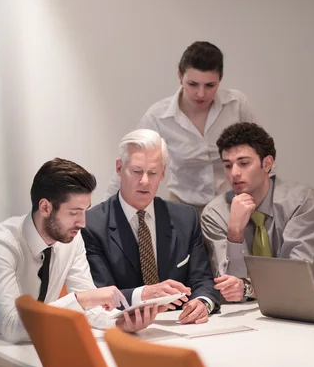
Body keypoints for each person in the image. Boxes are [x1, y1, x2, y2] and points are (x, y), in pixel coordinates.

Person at [0, 158, 157, 347]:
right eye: (74, 213)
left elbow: (89, 309)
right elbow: (13, 327)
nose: (82, 223)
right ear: (45, 208)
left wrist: (119, 322)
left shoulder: (71, 238)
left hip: (29, 343)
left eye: (85, 211)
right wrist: (80, 299)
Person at [83, 129, 220, 325]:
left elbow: (203, 280)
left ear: (163, 173)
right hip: (121, 329)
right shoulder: (93, 224)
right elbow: (99, 296)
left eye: (153, 173)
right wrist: (145, 294)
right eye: (137, 171)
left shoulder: (185, 218)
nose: (145, 181)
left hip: (183, 327)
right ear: (119, 168)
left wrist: (202, 302)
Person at [104, 41, 255, 214]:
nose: (201, 93)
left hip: (234, 201)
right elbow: (128, 164)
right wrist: (103, 214)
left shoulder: (236, 105)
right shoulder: (158, 116)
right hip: (183, 206)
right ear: (180, 76)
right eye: (192, 84)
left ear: (220, 79)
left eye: (209, 86)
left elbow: (262, 155)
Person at [201, 122, 314, 302]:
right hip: (243, 314)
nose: (234, 173)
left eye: (243, 163)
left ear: (267, 163)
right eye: (227, 165)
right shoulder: (215, 213)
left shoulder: (301, 201)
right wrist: (234, 232)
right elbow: (230, 291)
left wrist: (247, 287)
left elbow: (297, 279)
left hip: (308, 305)